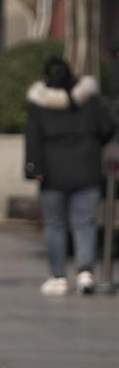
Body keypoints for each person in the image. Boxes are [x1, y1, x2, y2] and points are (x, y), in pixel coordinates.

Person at [25, 57, 115, 296]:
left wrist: (33, 168)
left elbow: (33, 137)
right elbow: (107, 127)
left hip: (52, 173)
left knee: (55, 224)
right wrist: (92, 145)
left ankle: (58, 277)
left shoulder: (39, 103)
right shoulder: (90, 100)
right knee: (84, 223)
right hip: (87, 169)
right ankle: (85, 272)